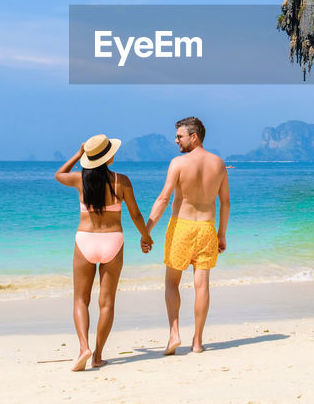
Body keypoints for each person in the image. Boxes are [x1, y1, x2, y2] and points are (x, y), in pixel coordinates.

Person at [55, 134, 154, 371]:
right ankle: (98, 355)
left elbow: (59, 174)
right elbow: (136, 215)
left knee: (81, 298)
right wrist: (146, 236)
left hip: (86, 240)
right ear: (108, 156)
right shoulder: (122, 181)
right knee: (106, 302)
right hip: (113, 241)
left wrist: (79, 154)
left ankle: (83, 348)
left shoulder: (80, 179)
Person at [146, 116, 230, 355]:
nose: (176, 141)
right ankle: (198, 341)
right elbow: (225, 204)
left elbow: (163, 199)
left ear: (194, 137)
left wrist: (147, 230)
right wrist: (221, 234)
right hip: (207, 229)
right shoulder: (219, 164)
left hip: (181, 228)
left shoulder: (178, 163)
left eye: (180, 136)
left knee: (172, 283)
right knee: (202, 286)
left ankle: (174, 334)